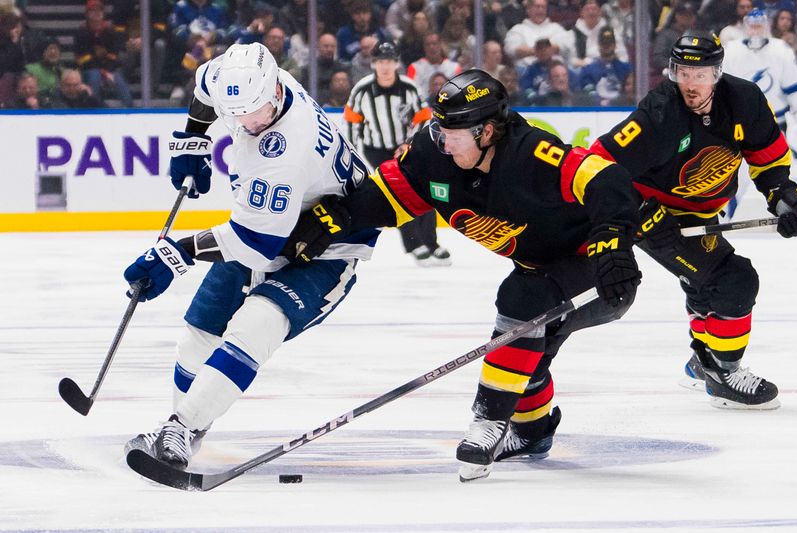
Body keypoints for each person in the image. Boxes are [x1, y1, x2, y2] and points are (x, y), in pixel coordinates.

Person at [283, 69, 642, 481]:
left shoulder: (532, 154)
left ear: (487, 131)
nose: (441, 138)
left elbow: (606, 178)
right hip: (539, 269)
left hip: (599, 273)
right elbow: (385, 196)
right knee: (529, 346)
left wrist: (613, 242)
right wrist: (336, 217)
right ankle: (533, 430)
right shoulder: (434, 155)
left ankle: (490, 418)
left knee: (521, 301)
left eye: (453, 130)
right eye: (438, 126)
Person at [122, 42, 379, 468]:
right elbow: (205, 85)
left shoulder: (286, 150)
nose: (246, 123)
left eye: (254, 113)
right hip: (271, 221)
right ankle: (181, 426)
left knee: (257, 322)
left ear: (276, 91)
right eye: (236, 115)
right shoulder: (243, 79)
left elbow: (255, 243)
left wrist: (176, 252)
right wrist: (193, 138)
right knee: (198, 333)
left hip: (329, 243)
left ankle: (182, 428)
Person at [591, 30, 797, 410]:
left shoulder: (745, 99)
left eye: (700, 74)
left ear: (717, 73)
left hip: (702, 210)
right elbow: (598, 167)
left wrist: (782, 196)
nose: (690, 83)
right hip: (654, 215)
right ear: (671, 71)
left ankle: (701, 360)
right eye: (682, 73)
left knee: (704, 279)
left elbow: (767, 156)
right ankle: (723, 372)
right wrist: (642, 214)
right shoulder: (658, 113)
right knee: (733, 279)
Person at [344, 40, 450, 266]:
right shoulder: (362, 90)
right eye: (380, 61)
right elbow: (352, 123)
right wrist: (352, 153)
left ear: (396, 63)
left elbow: (423, 118)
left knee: (425, 190)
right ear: (373, 64)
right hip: (376, 149)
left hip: (405, 147)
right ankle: (415, 244)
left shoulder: (409, 88)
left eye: (389, 61)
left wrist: (411, 144)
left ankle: (431, 243)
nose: (385, 66)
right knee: (399, 191)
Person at [723, 9, 797, 217]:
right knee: (730, 180)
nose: (756, 29)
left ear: (767, 25)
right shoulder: (731, 51)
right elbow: (721, 89)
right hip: (739, 128)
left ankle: (792, 216)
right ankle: (721, 221)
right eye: (752, 24)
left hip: (774, 128)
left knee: (782, 177)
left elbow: (794, 90)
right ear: (745, 25)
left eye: (760, 24)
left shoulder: (781, 50)